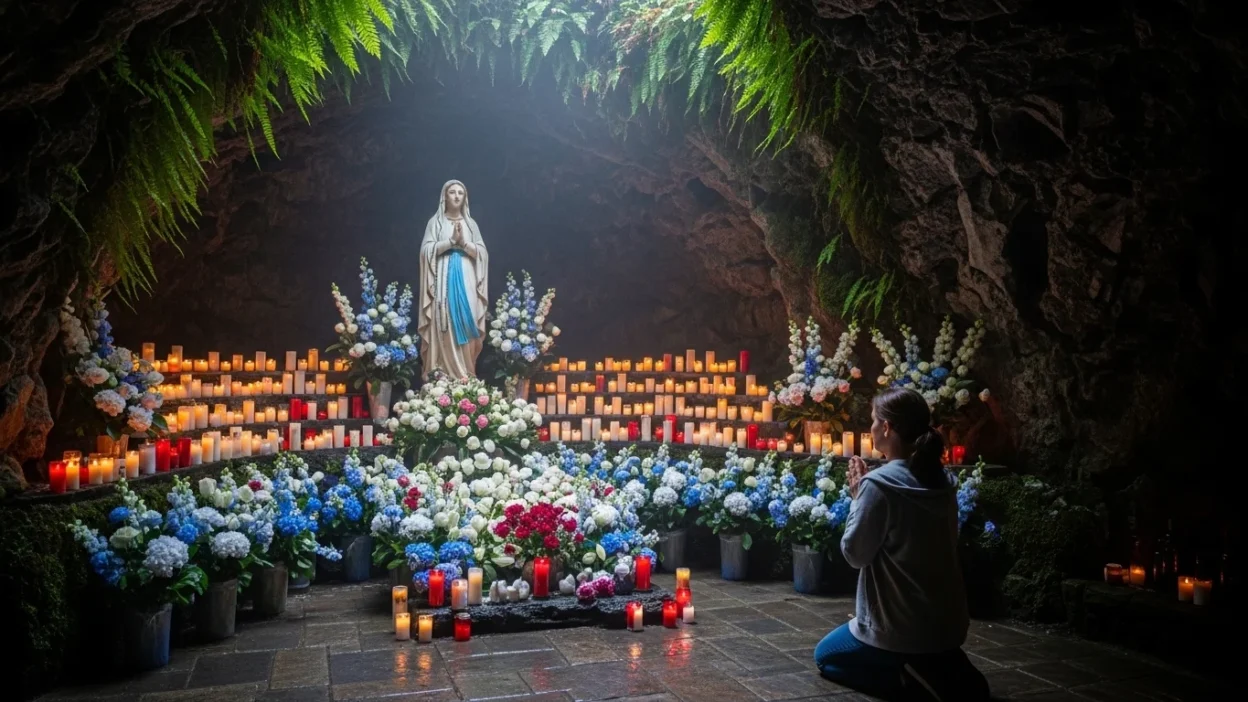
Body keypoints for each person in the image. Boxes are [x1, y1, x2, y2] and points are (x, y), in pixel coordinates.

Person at [814, 387, 989, 701]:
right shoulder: (943, 481)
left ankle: (906, 676)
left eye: (872, 421)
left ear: (886, 428)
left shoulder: (879, 485)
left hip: (899, 630)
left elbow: (855, 554)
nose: (870, 428)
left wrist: (858, 498)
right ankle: (941, 666)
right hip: (948, 626)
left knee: (826, 656)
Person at [418, 180, 489, 379]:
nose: (457, 196)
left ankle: (467, 373)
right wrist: (449, 243)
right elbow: (425, 251)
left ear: (465, 198)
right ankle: (441, 374)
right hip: (442, 278)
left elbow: (483, 253)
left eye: (460, 193)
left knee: (468, 321)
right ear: (444, 196)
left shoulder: (470, 224)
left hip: (467, 277)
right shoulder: (436, 223)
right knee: (444, 319)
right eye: (452, 192)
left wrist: (464, 244)